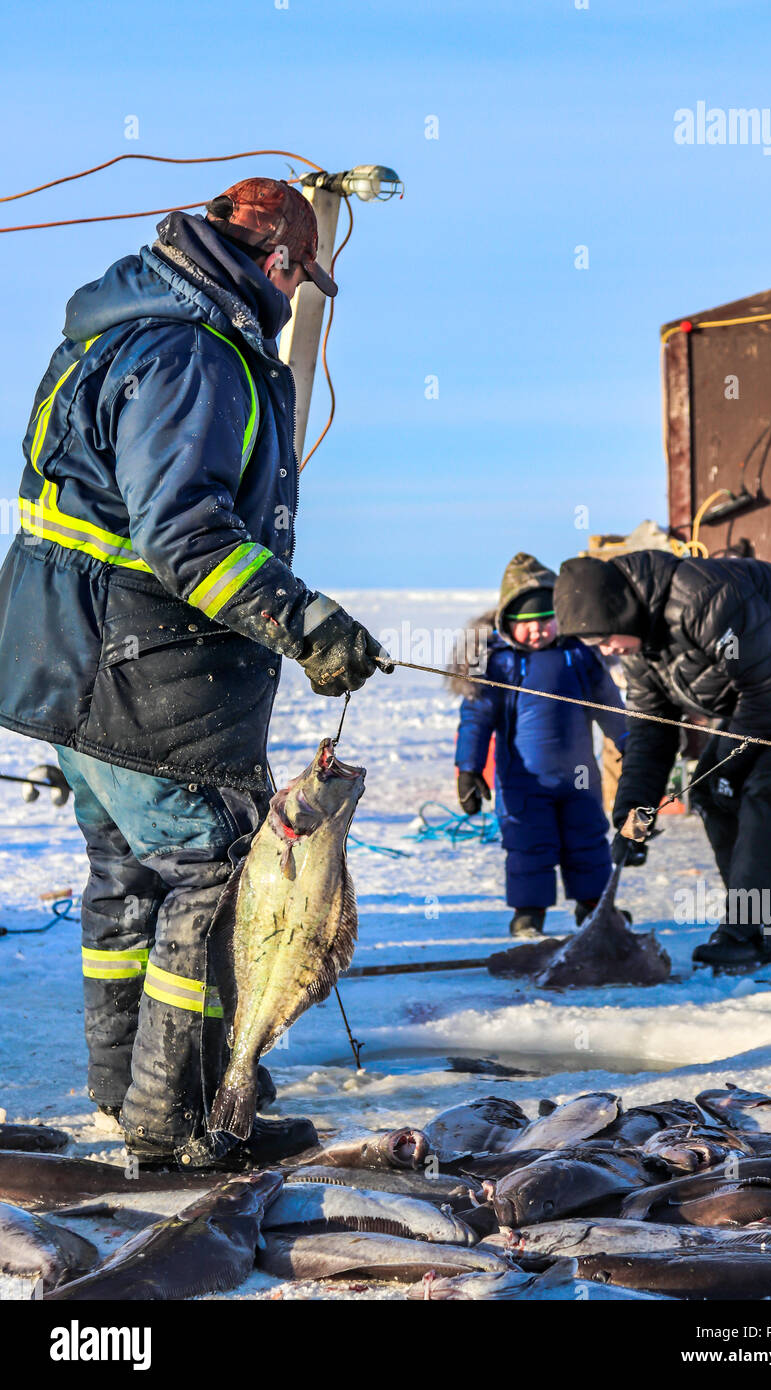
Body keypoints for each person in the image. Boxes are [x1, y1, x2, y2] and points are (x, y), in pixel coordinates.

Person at [0, 177, 392, 1169]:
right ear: (277, 263)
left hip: (67, 665)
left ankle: (125, 1098)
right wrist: (304, 623)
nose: (296, 297)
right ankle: (184, 1123)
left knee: (125, 880)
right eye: (300, 279)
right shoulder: (195, 354)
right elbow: (185, 535)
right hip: (150, 671)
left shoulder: (118, 328)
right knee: (209, 877)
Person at [554, 549, 771, 970]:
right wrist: (633, 810)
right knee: (710, 792)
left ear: (622, 611)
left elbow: (766, 690)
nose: (606, 650)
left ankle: (755, 932)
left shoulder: (703, 598)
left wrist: (732, 769)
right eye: (595, 646)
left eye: (604, 637)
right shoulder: (641, 648)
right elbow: (652, 729)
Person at [454, 553, 627, 938]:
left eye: (546, 620)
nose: (538, 631)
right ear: (506, 624)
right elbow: (476, 719)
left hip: (580, 777)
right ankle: (528, 916)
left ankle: (595, 908)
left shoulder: (580, 654)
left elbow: (611, 706)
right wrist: (468, 768)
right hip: (523, 780)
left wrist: (631, 745)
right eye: (526, 624)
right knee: (527, 845)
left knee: (588, 841)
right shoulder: (497, 663)